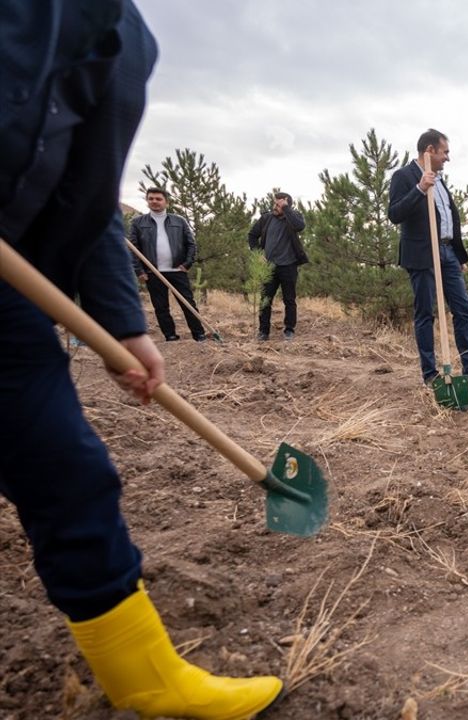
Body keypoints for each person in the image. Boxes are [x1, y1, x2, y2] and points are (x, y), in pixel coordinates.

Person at [0, 2, 282, 717]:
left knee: (67, 467)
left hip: (11, 290)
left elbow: (91, 200)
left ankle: (145, 679)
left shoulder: (127, 42)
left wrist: (124, 326)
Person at [388, 129, 468, 387]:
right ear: (430, 150)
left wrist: (457, 253)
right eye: (444, 152)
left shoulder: (439, 179)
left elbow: (448, 216)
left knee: (462, 309)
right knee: (425, 313)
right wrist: (419, 189)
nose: (447, 157)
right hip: (422, 254)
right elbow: (395, 213)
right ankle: (430, 374)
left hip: (448, 253)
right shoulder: (404, 176)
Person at [129, 187, 205, 342]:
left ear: (166, 202)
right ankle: (170, 335)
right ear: (147, 201)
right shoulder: (138, 223)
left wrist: (187, 264)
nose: (154, 201)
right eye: (151, 198)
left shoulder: (179, 221)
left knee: (188, 303)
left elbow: (191, 244)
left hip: (177, 270)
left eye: (158, 199)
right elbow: (133, 249)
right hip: (153, 272)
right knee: (161, 307)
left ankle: (199, 334)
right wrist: (139, 271)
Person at [247, 191, 307, 341]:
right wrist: (258, 253)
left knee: (289, 300)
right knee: (265, 300)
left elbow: (300, 226)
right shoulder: (266, 218)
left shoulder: (293, 218)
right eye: (274, 203)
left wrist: (286, 208)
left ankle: (289, 330)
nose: (275, 206)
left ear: (286, 204)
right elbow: (252, 235)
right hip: (269, 267)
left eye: (278, 204)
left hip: (289, 266)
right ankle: (263, 332)